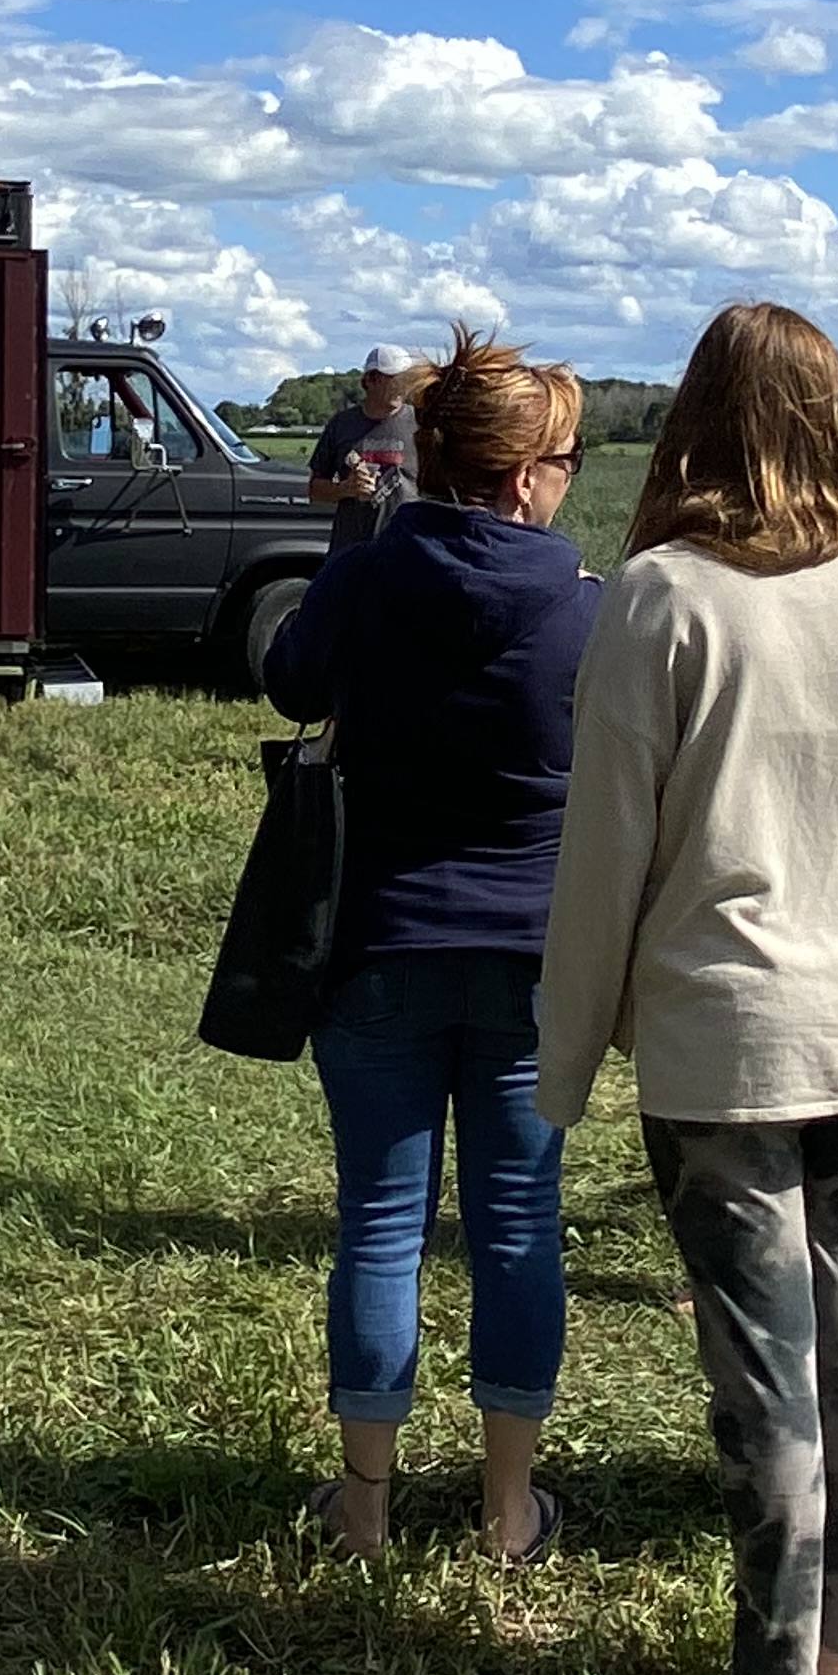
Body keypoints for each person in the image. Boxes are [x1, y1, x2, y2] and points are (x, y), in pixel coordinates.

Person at [537, 302, 838, 1675]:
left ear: (695, 416)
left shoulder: (658, 597)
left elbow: (605, 863)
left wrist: (567, 1056)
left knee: (766, 1374)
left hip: (731, 1042)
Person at [261, 327, 597, 1568]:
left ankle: (365, 1509)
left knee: (379, 1225)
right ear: (519, 480)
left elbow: (293, 682)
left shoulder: (366, 576)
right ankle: (509, 1511)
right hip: (531, 961)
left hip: (377, 946)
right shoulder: (585, 611)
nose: (569, 480)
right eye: (566, 459)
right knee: (518, 1225)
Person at [306, 344, 422, 553]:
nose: (404, 387)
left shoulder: (420, 424)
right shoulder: (341, 425)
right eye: (395, 379)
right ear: (370, 380)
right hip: (352, 551)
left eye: (407, 379)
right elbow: (315, 490)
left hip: (406, 550)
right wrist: (345, 489)